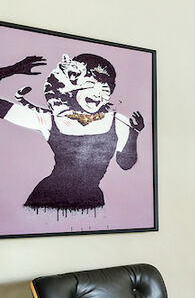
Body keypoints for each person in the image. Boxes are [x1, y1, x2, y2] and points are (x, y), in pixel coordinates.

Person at [0, 52, 144, 214]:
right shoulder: (51, 120)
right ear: (70, 85)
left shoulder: (117, 122)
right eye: (90, 84)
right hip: (44, 201)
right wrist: (13, 69)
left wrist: (135, 133)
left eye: (105, 88)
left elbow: (126, 164)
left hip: (92, 202)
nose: (98, 93)